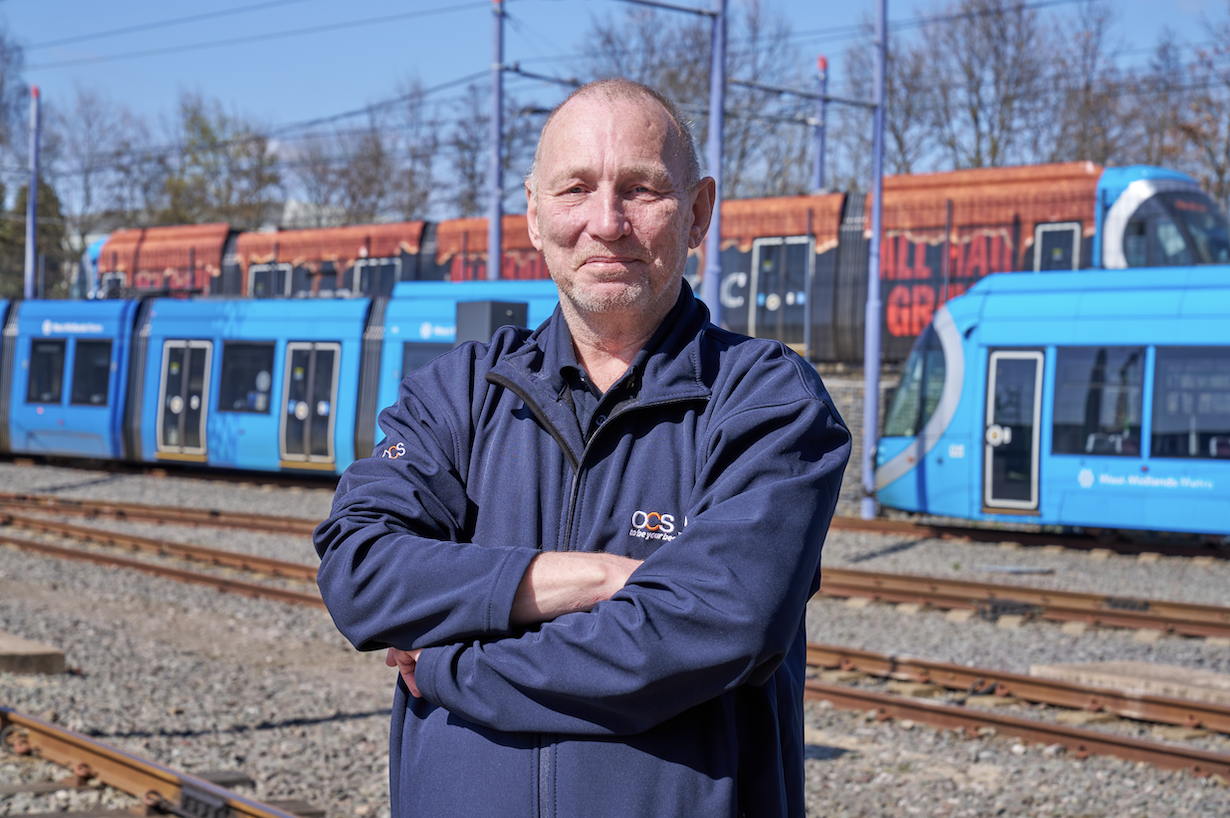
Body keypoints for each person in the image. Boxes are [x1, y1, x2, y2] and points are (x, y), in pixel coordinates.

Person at [314, 78, 851, 817]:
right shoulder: (460, 392)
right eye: (576, 189)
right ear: (534, 217)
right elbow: (360, 574)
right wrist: (594, 577)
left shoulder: (766, 399)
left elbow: (715, 628)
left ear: (697, 214)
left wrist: (449, 668)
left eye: (641, 189)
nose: (607, 222)